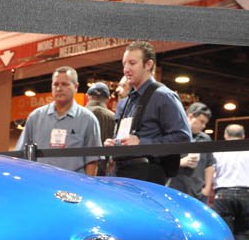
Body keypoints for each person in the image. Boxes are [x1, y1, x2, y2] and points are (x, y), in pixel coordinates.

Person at [103, 41, 192, 184]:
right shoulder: (125, 102)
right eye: (124, 64)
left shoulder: (163, 96)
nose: (126, 69)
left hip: (147, 175)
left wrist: (142, 143)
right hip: (119, 173)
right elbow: (125, 137)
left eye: (132, 63)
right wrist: (115, 144)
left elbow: (183, 138)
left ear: (148, 64)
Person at [14, 67, 101, 175]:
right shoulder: (35, 117)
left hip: (72, 183)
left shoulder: (88, 119)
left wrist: (87, 184)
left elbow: (92, 161)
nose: (59, 89)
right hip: (40, 181)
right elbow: (20, 155)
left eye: (65, 84)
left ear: (76, 87)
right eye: (55, 84)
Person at [167, 102, 214, 201]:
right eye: (201, 121)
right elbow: (161, 161)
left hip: (198, 192)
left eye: (205, 123)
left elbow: (209, 164)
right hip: (174, 189)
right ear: (190, 117)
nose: (204, 126)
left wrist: (207, 188)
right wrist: (180, 162)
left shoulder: (205, 139)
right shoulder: (174, 135)